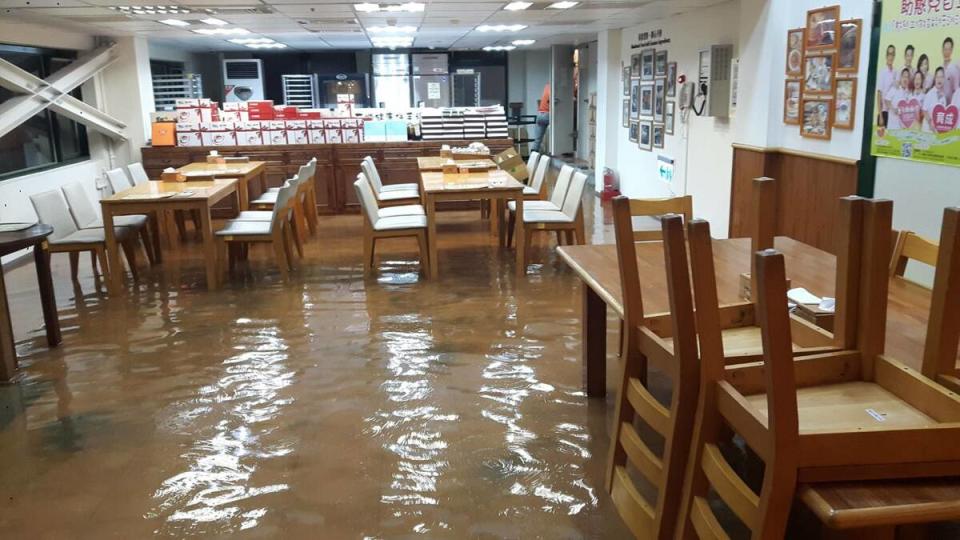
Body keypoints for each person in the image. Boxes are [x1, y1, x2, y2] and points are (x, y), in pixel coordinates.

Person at [923, 67, 948, 132]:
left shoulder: (944, 97)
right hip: (927, 129)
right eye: (937, 77)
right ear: (935, 78)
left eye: (941, 77)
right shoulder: (929, 94)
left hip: (937, 130)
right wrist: (930, 122)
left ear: (944, 79)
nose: (939, 79)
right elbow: (924, 110)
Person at [877, 45, 897, 125]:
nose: (890, 57)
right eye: (889, 54)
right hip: (884, 112)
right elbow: (879, 94)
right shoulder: (882, 72)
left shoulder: (896, 72)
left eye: (892, 54)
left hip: (893, 113)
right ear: (886, 56)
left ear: (894, 56)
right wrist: (880, 116)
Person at [531, 83, 550, 154]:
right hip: (548, 114)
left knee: (537, 140)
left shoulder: (547, 86)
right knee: (562, 132)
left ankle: (532, 158)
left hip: (540, 114)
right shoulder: (556, 87)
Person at [941, 37, 959, 102]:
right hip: (941, 104)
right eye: (945, 49)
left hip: (952, 105)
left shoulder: (955, 68)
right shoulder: (940, 68)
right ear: (942, 50)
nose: (947, 52)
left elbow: (956, 90)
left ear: (951, 50)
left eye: (949, 49)